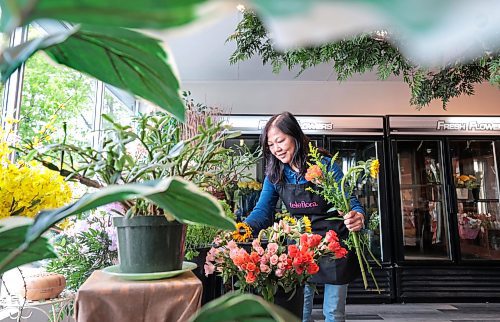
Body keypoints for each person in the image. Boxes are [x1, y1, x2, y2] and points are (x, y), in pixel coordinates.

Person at [244, 112, 366, 322]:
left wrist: (358, 216)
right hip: (302, 247)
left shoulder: (324, 165)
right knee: (300, 311)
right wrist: (241, 229)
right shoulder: (275, 174)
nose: (277, 149)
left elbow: (349, 201)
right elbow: (262, 212)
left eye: (280, 140)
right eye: (271, 145)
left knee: (333, 313)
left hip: (334, 244)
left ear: (296, 136)